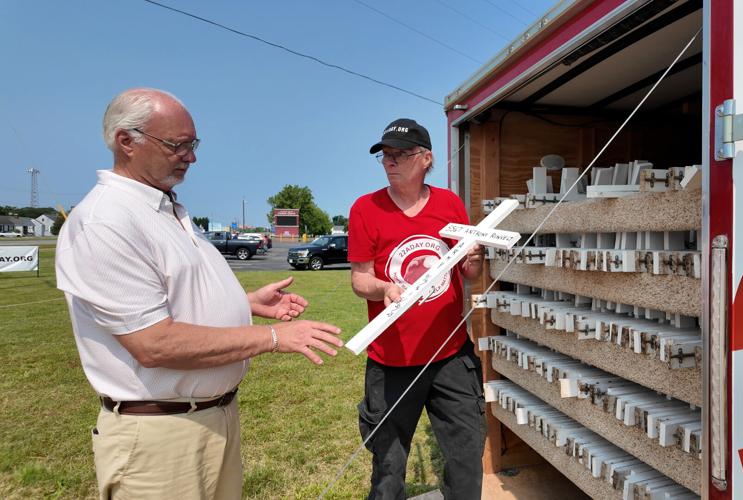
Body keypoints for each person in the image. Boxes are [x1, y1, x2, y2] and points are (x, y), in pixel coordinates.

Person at [55, 88, 343, 500]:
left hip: (212, 419)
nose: (191, 157)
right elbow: (153, 343)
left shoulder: (165, 208)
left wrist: (245, 304)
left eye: (194, 144)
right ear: (126, 142)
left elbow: (169, 298)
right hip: (160, 440)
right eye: (178, 145)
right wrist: (274, 338)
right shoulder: (106, 222)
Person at [349, 118, 486, 499]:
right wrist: (384, 287)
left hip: (450, 356)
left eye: (401, 154)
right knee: (389, 467)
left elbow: (469, 272)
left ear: (426, 158)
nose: (391, 162)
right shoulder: (365, 208)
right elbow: (359, 279)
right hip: (391, 360)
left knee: (466, 458)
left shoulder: (449, 204)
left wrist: (474, 257)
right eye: (386, 156)